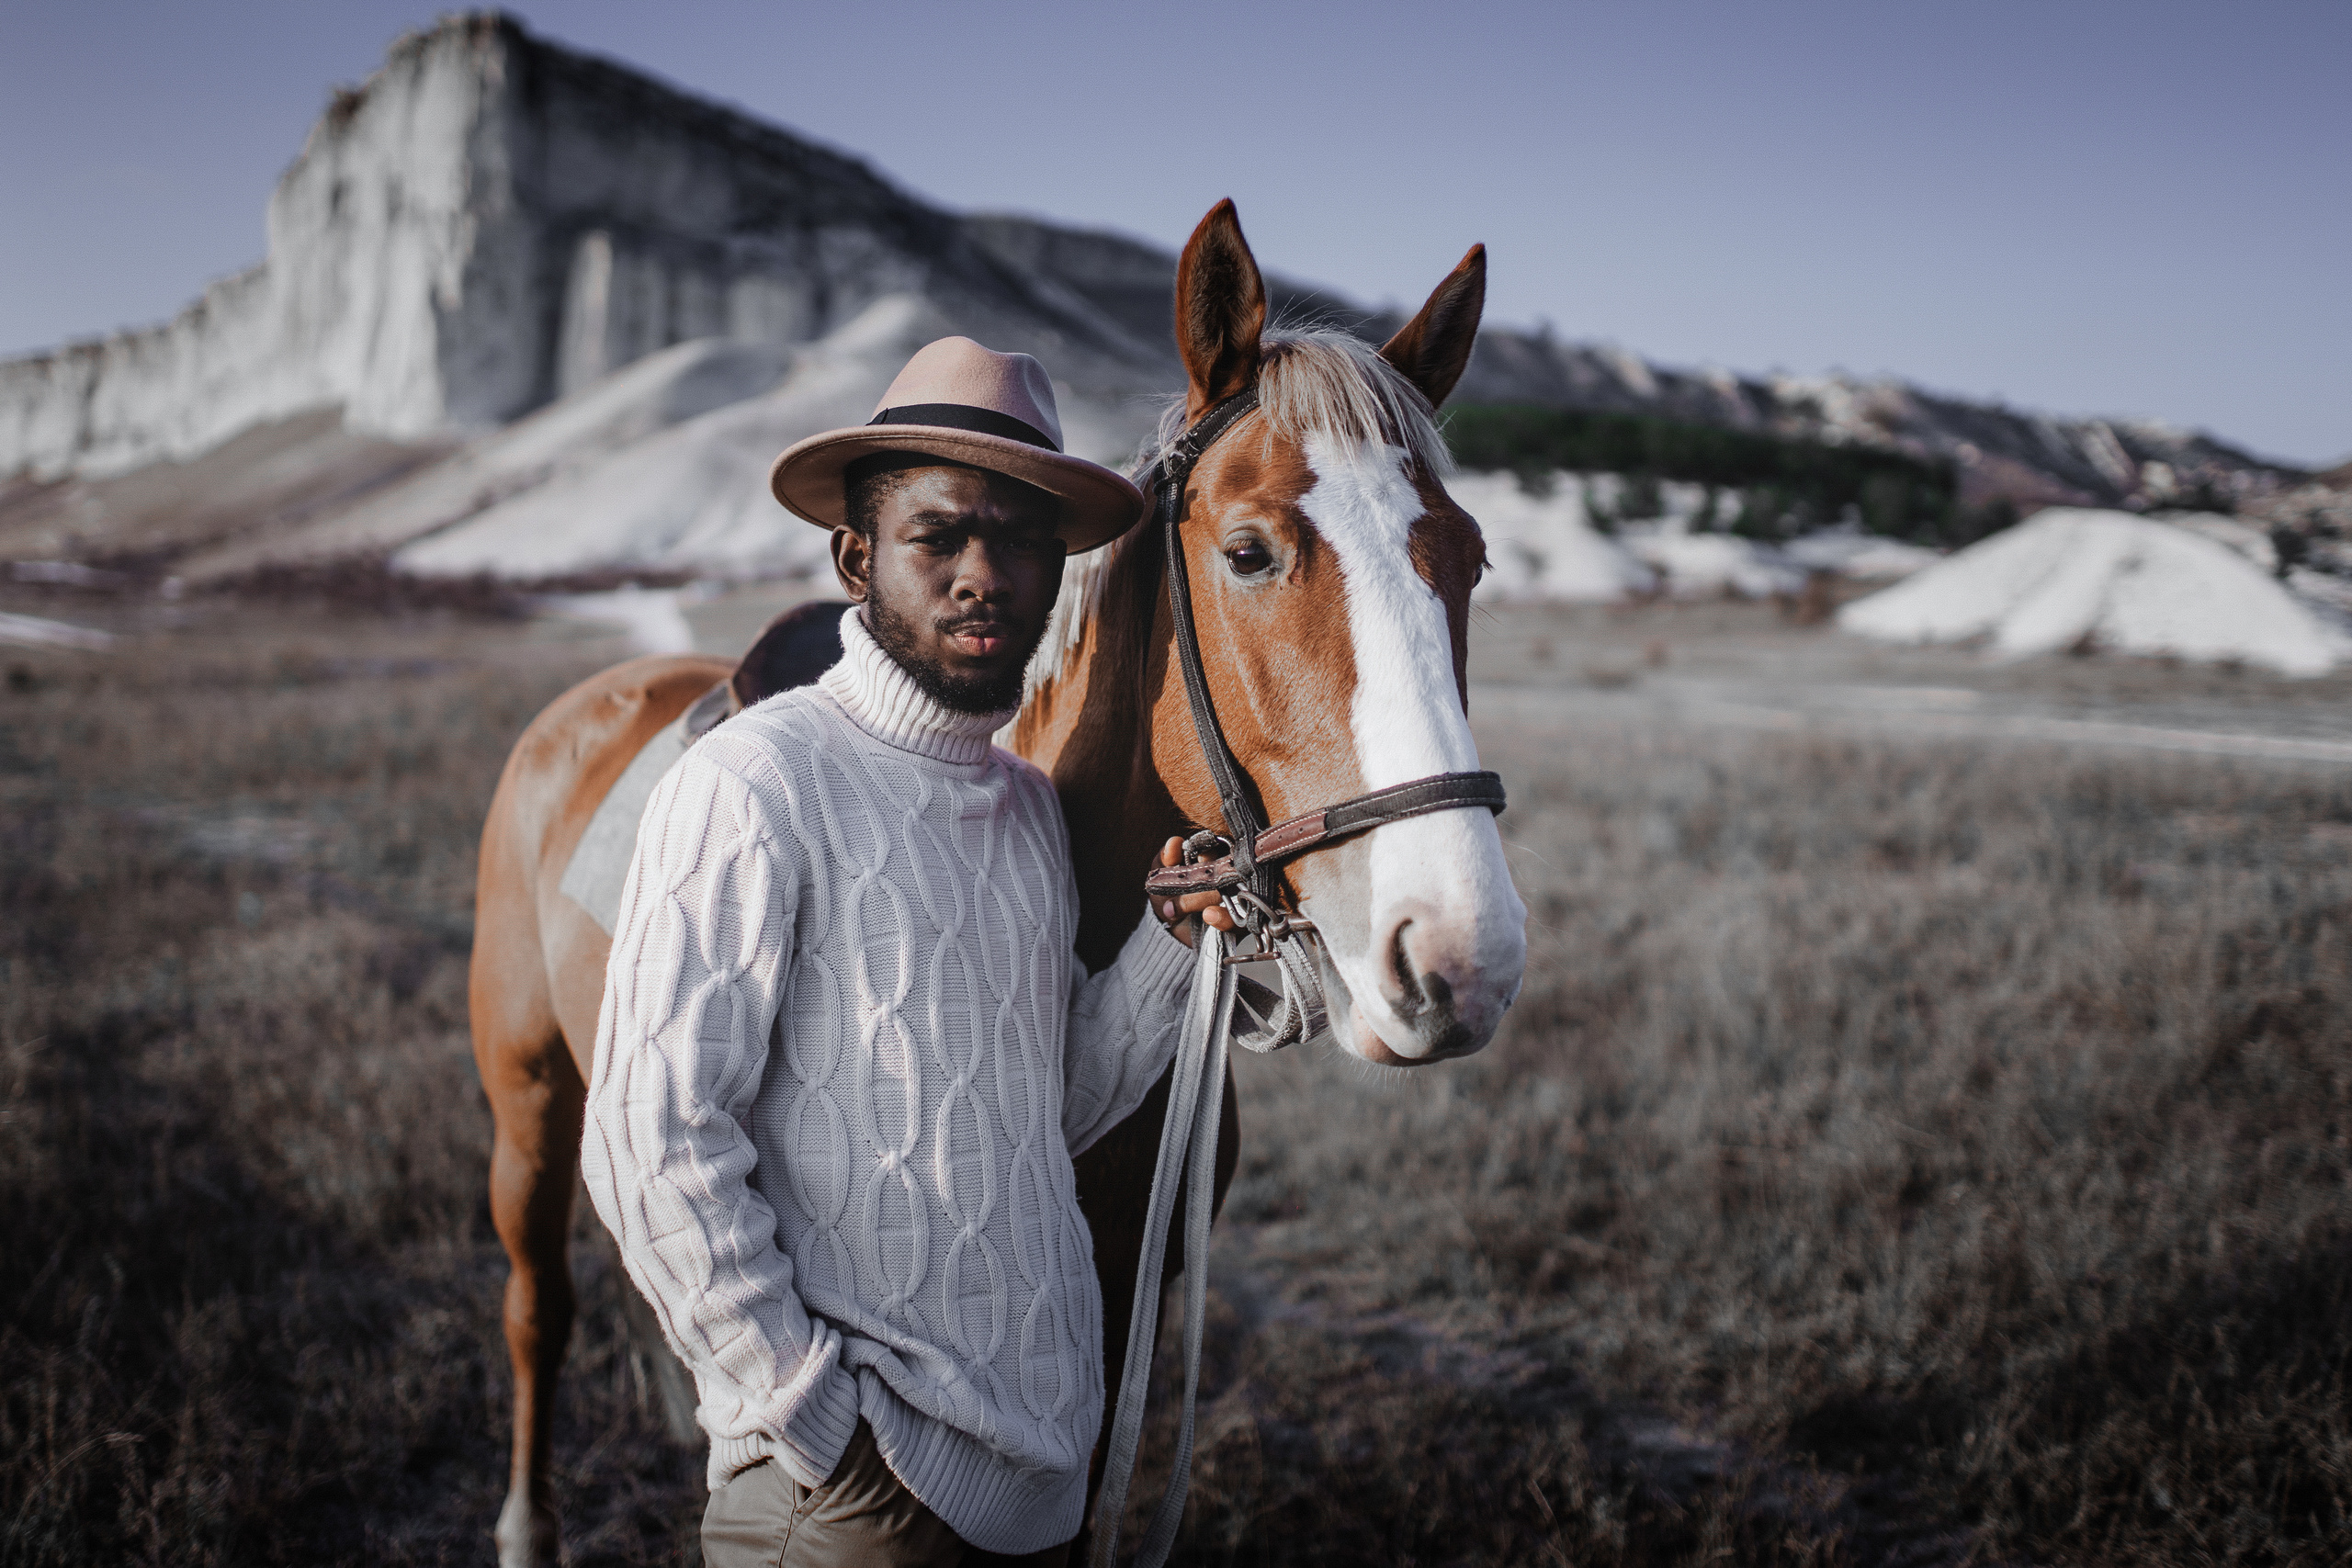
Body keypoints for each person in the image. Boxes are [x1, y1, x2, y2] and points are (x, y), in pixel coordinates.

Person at [582, 337, 1230, 1567]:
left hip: (1041, 1482)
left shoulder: (1029, 810)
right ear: (857, 555)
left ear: (1058, 572)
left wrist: (1166, 946)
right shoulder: (754, 784)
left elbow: (1055, 1106)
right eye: (938, 538)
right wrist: (818, 1424)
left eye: (1022, 541)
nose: (983, 575)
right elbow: (651, 1139)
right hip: (857, 1502)